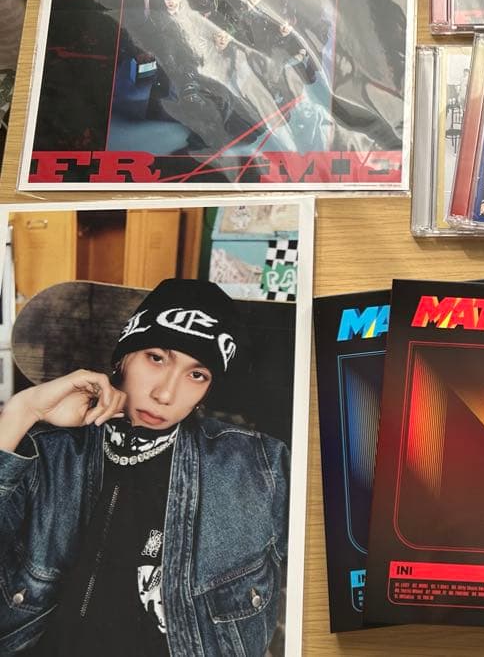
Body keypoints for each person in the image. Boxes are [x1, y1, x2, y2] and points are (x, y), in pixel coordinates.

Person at [0, 279, 289, 655]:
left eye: (197, 375)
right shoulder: (49, 454)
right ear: (123, 357)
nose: (165, 394)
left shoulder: (257, 468)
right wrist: (23, 410)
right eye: (156, 358)